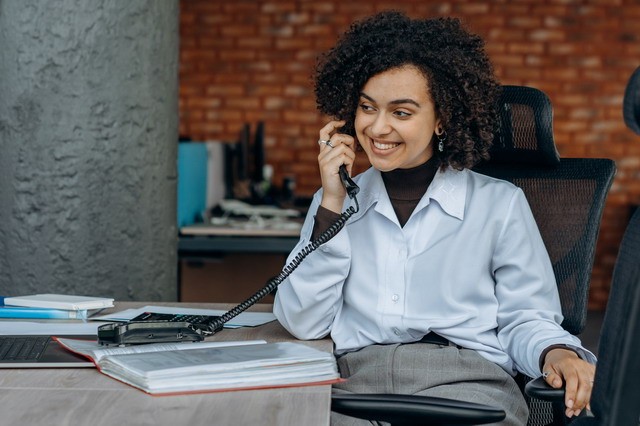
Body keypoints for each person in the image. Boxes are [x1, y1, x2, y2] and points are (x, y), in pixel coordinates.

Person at [273, 11, 595, 425]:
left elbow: (526, 317)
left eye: (402, 113)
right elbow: (303, 321)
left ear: (442, 118)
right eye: (367, 108)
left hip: (467, 384)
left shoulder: (499, 204)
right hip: (354, 386)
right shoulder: (335, 201)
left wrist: (557, 352)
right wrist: (332, 205)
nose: (378, 127)